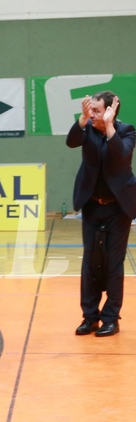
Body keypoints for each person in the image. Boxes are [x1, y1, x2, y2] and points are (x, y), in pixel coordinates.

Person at [68, 91, 136, 338]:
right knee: (90, 261)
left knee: (113, 263)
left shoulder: (127, 131)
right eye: (91, 109)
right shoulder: (86, 129)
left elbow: (119, 155)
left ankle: (110, 318)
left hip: (119, 206)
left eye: (97, 110)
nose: (92, 114)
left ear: (111, 111)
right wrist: (83, 120)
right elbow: (71, 141)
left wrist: (108, 126)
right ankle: (90, 317)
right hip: (92, 205)